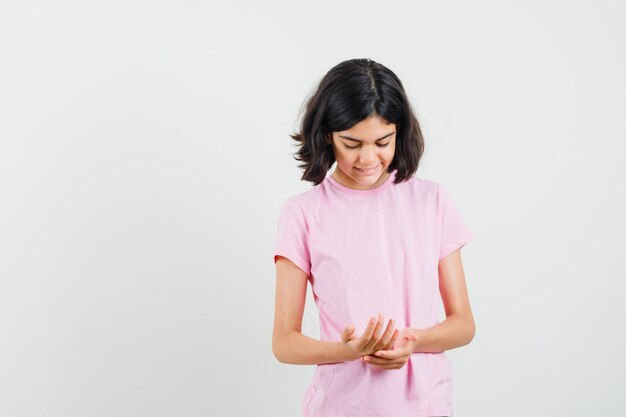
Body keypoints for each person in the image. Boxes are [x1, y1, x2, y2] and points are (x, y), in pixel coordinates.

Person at [272, 58, 475, 417]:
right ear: (326, 136)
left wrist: (412, 342)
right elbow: (284, 343)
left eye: (383, 141)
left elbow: (463, 325)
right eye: (351, 143)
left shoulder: (432, 201)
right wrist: (348, 351)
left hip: (425, 406)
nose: (368, 158)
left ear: (400, 132)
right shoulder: (302, 213)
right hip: (340, 406)